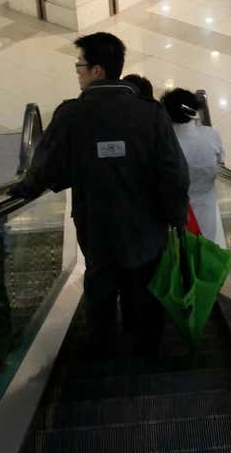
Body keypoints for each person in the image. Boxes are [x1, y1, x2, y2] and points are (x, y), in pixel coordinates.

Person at [11, 32, 189, 353]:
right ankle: (146, 350)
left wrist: (24, 189)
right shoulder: (151, 114)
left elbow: (44, 169)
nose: (77, 72)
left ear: (97, 71)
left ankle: (102, 348)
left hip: (97, 229)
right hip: (146, 232)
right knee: (145, 292)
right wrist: (176, 217)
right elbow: (174, 173)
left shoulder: (71, 115)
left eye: (80, 66)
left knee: (100, 288)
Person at [162, 87, 225, 245]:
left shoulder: (164, 145)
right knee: (207, 250)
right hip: (207, 209)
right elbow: (221, 162)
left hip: (177, 215)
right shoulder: (211, 135)